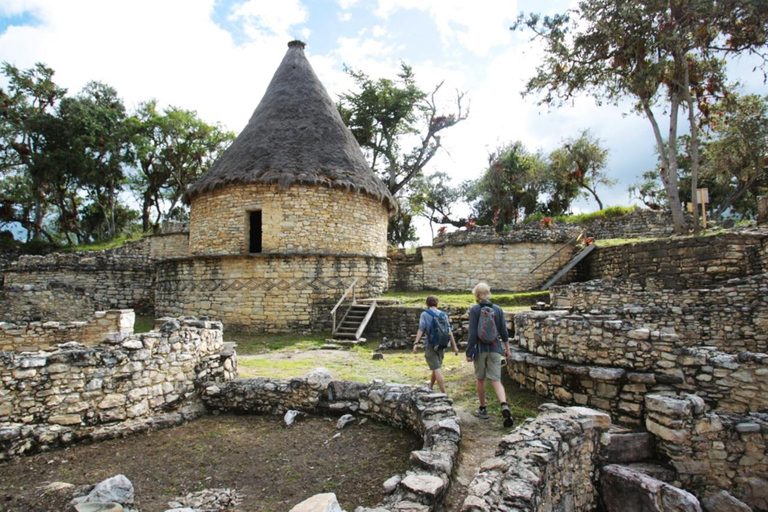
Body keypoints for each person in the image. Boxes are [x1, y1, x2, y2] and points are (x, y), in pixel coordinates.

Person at [466, 282, 514, 428]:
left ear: (477, 295)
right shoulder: (498, 309)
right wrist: (507, 348)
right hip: (495, 348)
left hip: (480, 350)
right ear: (488, 293)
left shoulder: (474, 310)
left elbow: (473, 333)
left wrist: (469, 352)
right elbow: (504, 332)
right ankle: (504, 405)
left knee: (480, 379)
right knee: (496, 380)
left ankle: (483, 408)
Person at [413, 295, 459, 394]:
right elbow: (449, 331)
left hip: (430, 345)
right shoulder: (443, 314)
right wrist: (454, 346)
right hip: (442, 345)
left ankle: (444, 393)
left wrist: (416, 343)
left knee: (437, 369)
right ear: (436, 303)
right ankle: (430, 386)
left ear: (427, 304)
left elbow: (421, 329)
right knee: (436, 366)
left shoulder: (424, 314)